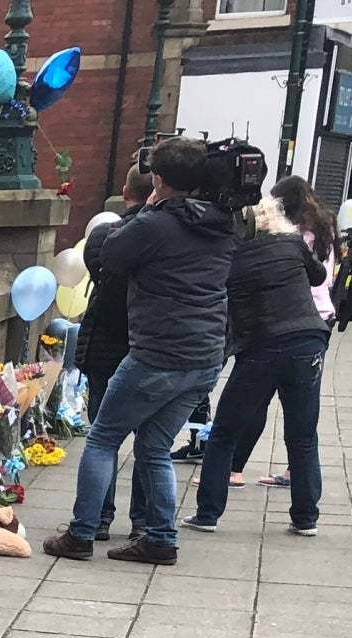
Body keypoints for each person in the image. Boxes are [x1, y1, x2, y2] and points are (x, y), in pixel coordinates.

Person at [46, 138, 237, 567]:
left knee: (103, 438)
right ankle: (160, 538)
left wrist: (151, 207)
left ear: (159, 178)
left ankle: (81, 533)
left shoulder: (154, 224)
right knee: (154, 446)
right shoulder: (223, 222)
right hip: (205, 357)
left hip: (158, 353)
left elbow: (110, 254)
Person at [183, 179, 327, 536]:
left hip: (261, 347)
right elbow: (319, 275)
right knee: (303, 435)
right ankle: (306, 518)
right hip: (308, 342)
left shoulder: (231, 256)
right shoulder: (293, 244)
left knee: (226, 432)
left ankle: (208, 514)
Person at [78, 168, 155, 537]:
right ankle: (143, 521)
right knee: (151, 442)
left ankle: (97, 519)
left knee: (103, 437)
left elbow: (101, 269)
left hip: (108, 349)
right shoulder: (174, 241)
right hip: (154, 350)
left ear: (124, 192)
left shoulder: (104, 236)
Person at [254, 174, 337, 489]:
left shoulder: (294, 235)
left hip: (293, 315)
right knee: (304, 403)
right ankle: (295, 472)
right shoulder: (324, 228)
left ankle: (231, 468)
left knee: (261, 397)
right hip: (322, 317)